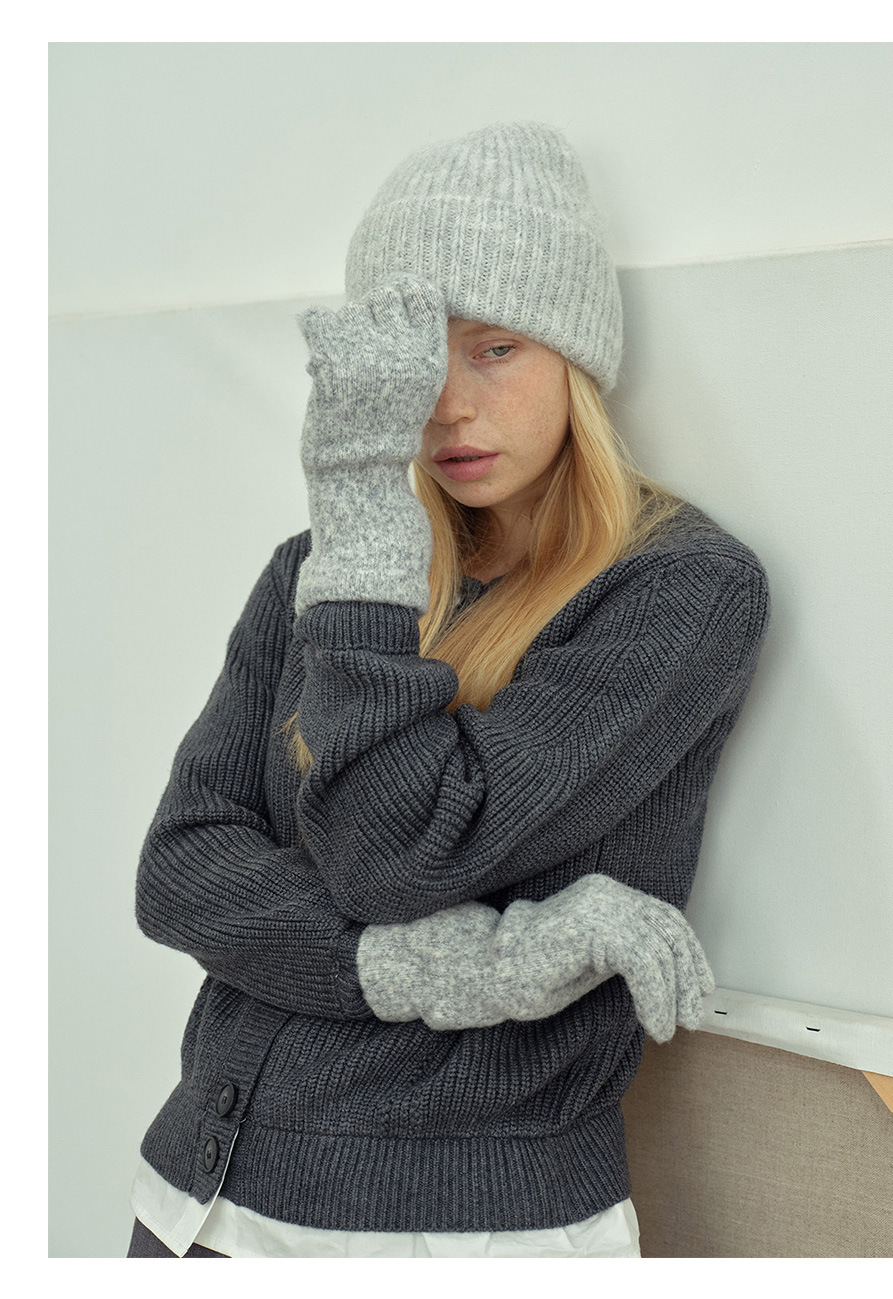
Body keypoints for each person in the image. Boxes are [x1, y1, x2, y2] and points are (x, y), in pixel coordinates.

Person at [126, 121, 770, 1259]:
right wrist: (468, 965)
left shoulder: (675, 590)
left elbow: (398, 854)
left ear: (575, 355)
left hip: (460, 1232)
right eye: (415, 358)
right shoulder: (317, 572)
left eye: (495, 349)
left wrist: (362, 513)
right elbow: (179, 871)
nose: (444, 405)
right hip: (199, 1202)